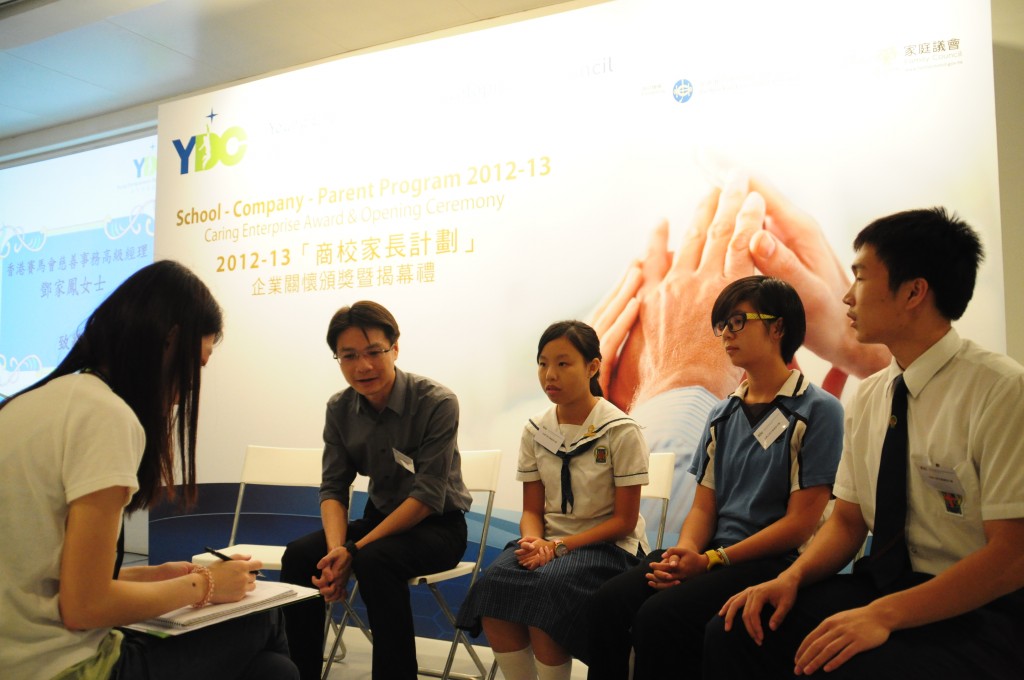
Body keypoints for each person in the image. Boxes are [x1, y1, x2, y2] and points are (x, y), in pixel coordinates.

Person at [707, 208, 1024, 678]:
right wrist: (790, 578)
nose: (846, 296)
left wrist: (884, 615)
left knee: (855, 664)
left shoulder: (1000, 389)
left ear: (914, 292)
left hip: (977, 603)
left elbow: (1011, 556)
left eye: (859, 277)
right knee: (736, 629)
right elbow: (848, 522)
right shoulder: (872, 394)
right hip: (883, 583)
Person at [0, 260, 297, 680]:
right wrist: (206, 585)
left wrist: (152, 576)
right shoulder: (105, 416)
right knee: (264, 617)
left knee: (272, 671)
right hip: (63, 667)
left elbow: (41, 576)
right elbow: (85, 606)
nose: (186, 391)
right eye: (196, 367)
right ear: (169, 341)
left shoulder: (30, 404)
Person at [586, 275, 843, 680]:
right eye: (722, 325)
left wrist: (710, 560)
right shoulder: (722, 413)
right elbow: (703, 508)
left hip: (773, 562)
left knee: (660, 617)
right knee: (608, 602)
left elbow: (800, 525)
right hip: (713, 556)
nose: (726, 334)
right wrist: (686, 551)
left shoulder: (818, 409)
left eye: (738, 321)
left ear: (778, 327)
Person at [279, 300, 472, 680]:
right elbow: (334, 488)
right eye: (349, 356)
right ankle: (300, 674)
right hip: (379, 522)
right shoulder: (339, 409)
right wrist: (337, 551)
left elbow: (427, 497)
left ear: (395, 348)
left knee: (373, 560)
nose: (362, 366)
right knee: (301, 555)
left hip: (438, 527)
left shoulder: (437, 402)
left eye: (373, 352)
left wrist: (353, 551)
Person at [456, 320, 650, 680]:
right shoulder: (535, 429)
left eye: (563, 363)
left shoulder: (620, 429)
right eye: (543, 363)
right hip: (547, 544)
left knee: (546, 594)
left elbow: (624, 522)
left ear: (592, 367)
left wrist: (558, 547)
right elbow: (532, 509)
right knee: (493, 586)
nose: (550, 375)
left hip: (608, 548)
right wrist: (534, 541)